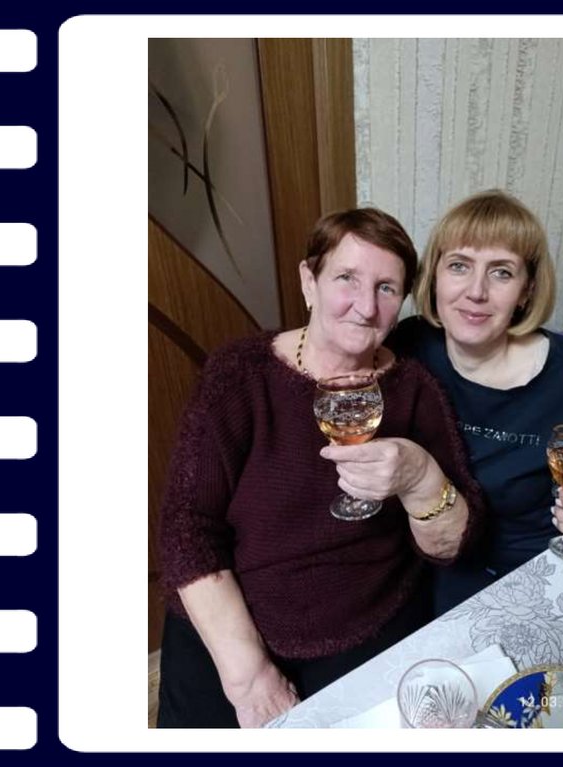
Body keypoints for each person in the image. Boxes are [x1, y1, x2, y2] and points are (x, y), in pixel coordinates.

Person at [155, 207, 483, 728]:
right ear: (309, 281)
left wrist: (420, 478)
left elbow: (455, 545)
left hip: (367, 620)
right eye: (346, 278)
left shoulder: (414, 389)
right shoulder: (240, 374)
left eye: (386, 288)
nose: (366, 307)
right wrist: (249, 676)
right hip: (233, 622)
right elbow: (185, 530)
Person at [388, 190, 563, 615]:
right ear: (434, 276)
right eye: (459, 266)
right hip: (426, 561)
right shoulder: (410, 345)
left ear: (526, 291)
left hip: (528, 574)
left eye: (502, 272)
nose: (476, 291)